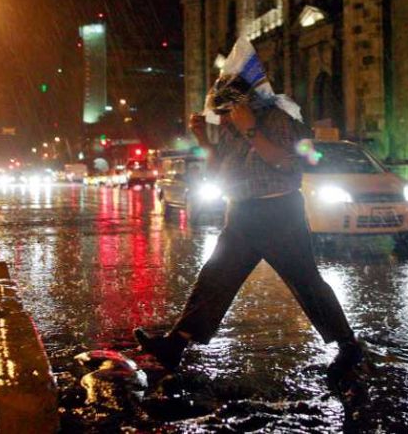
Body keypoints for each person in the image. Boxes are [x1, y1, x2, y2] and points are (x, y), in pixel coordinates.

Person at [133, 38, 363, 375]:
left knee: (306, 281)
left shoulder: (277, 120)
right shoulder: (228, 129)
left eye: (227, 109)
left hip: (279, 213)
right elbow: (218, 171)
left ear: (245, 101)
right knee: (215, 277)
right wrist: (202, 140)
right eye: (221, 112)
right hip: (242, 213)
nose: (223, 118)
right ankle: (175, 344)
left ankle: (348, 346)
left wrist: (251, 130)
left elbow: (288, 164)